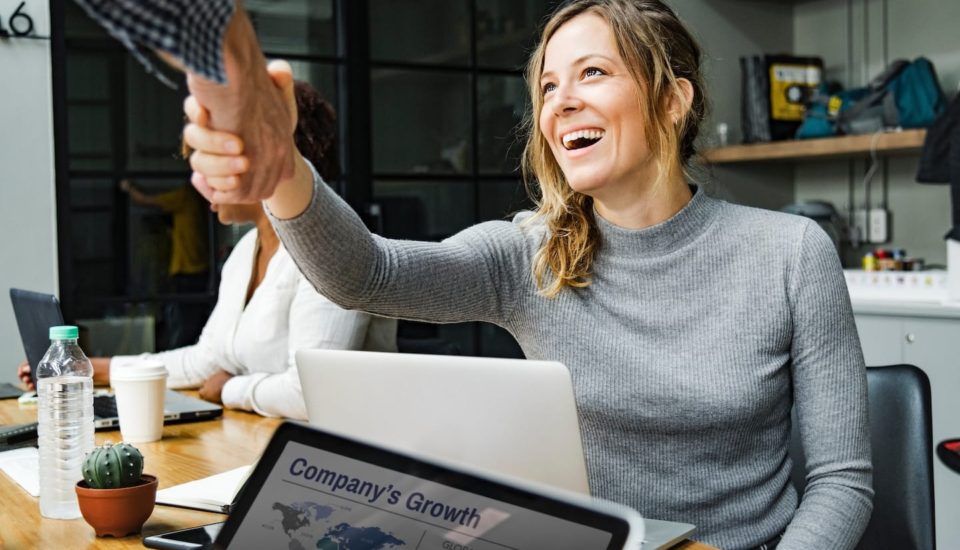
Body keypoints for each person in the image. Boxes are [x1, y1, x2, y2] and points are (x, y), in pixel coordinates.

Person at [68, 1, 873, 548]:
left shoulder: (789, 253)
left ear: (672, 100)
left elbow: (841, 483)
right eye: (548, 86)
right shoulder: (526, 253)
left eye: (593, 74)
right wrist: (283, 167)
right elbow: (366, 273)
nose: (559, 104)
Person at [19, 81, 397, 420]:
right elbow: (207, 361)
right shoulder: (245, 250)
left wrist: (230, 389)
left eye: (212, 158)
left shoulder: (332, 247)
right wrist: (87, 369)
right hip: (264, 439)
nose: (199, 177)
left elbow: (309, 395)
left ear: (268, 157)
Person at [119, 178, 211, 348]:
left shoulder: (186, 196)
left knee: (185, 328)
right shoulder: (197, 203)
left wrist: (128, 187)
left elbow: (147, 200)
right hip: (195, 270)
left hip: (188, 272)